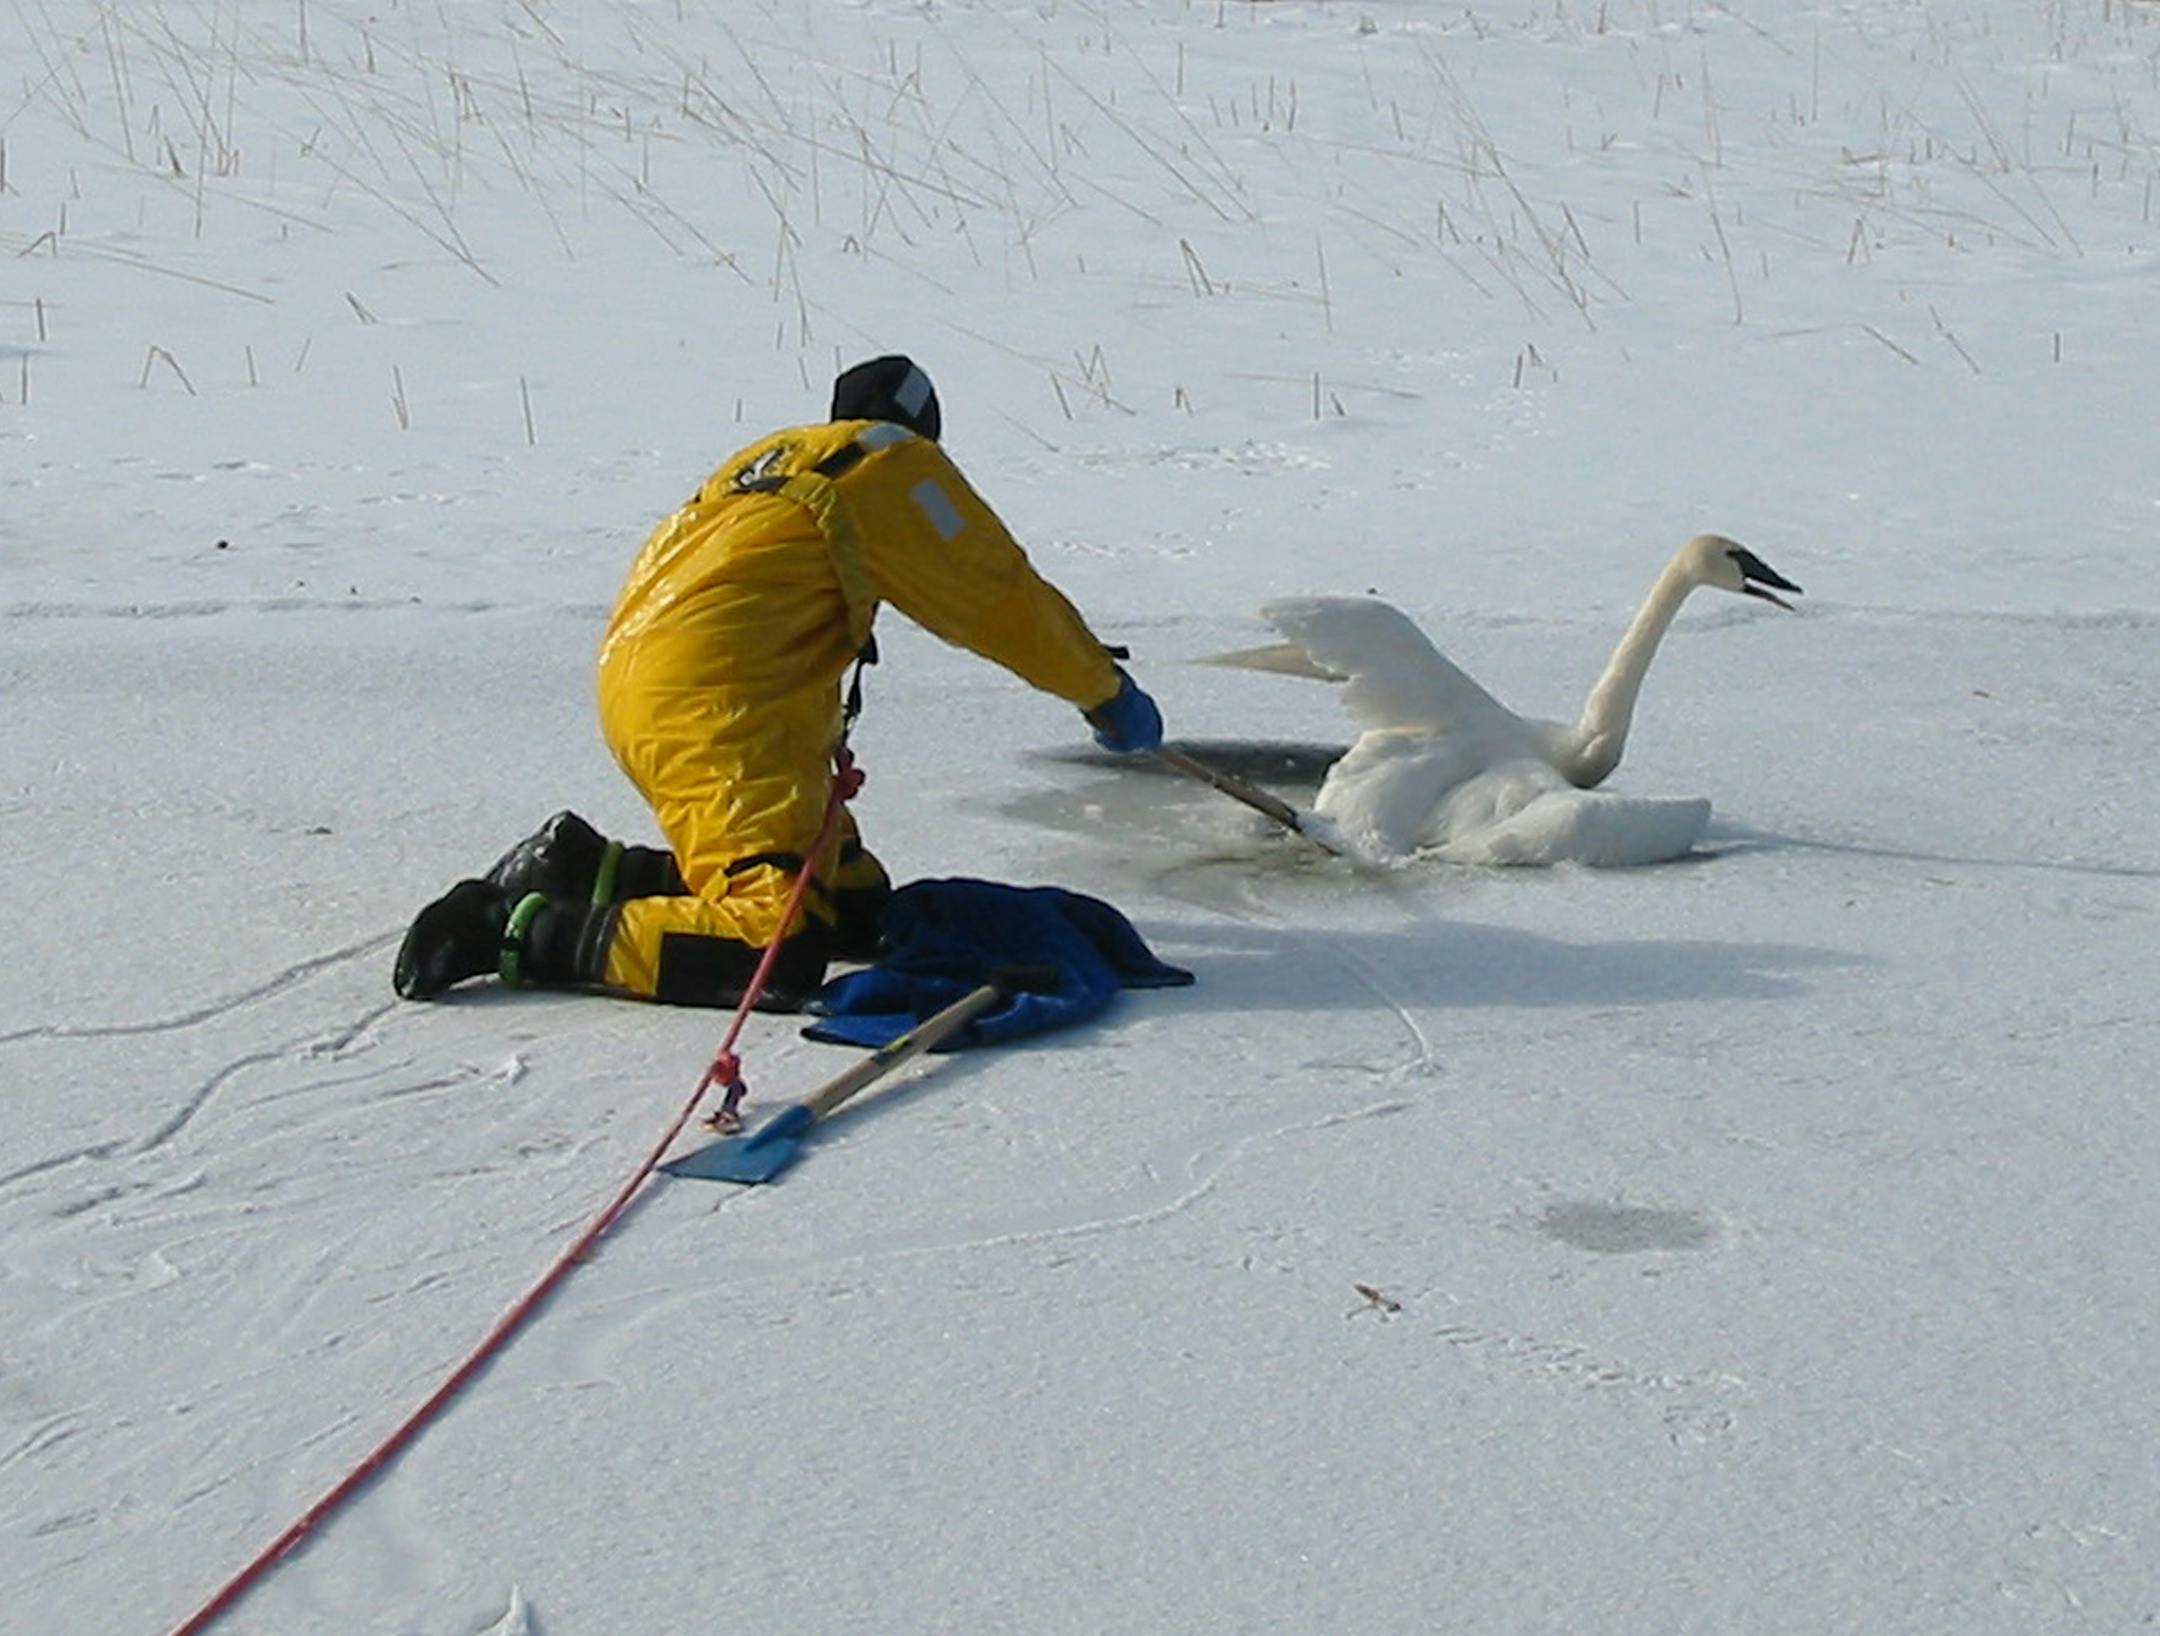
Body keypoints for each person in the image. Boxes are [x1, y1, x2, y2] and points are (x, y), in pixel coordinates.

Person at [393, 355, 1164, 1009]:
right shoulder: (890, 464)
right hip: (716, 712)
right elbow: (997, 599)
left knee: (854, 906)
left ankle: (584, 869)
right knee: (779, 947)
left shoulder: (767, 466)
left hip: (662, 686)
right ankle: (516, 929)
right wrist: (1101, 691)